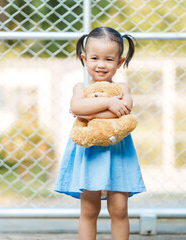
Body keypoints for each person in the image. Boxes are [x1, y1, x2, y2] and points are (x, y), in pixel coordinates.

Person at [54, 27, 146, 240]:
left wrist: (90, 110)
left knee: (119, 209)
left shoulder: (123, 88)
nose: (101, 64)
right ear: (85, 59)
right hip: (91, 155)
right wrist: (107, 103)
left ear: (119, 62)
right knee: (89, 210)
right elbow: (77, 107)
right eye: (95, 58)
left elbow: (123, 112)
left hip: (118, 155)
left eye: (109, 59)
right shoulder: (80, 87)